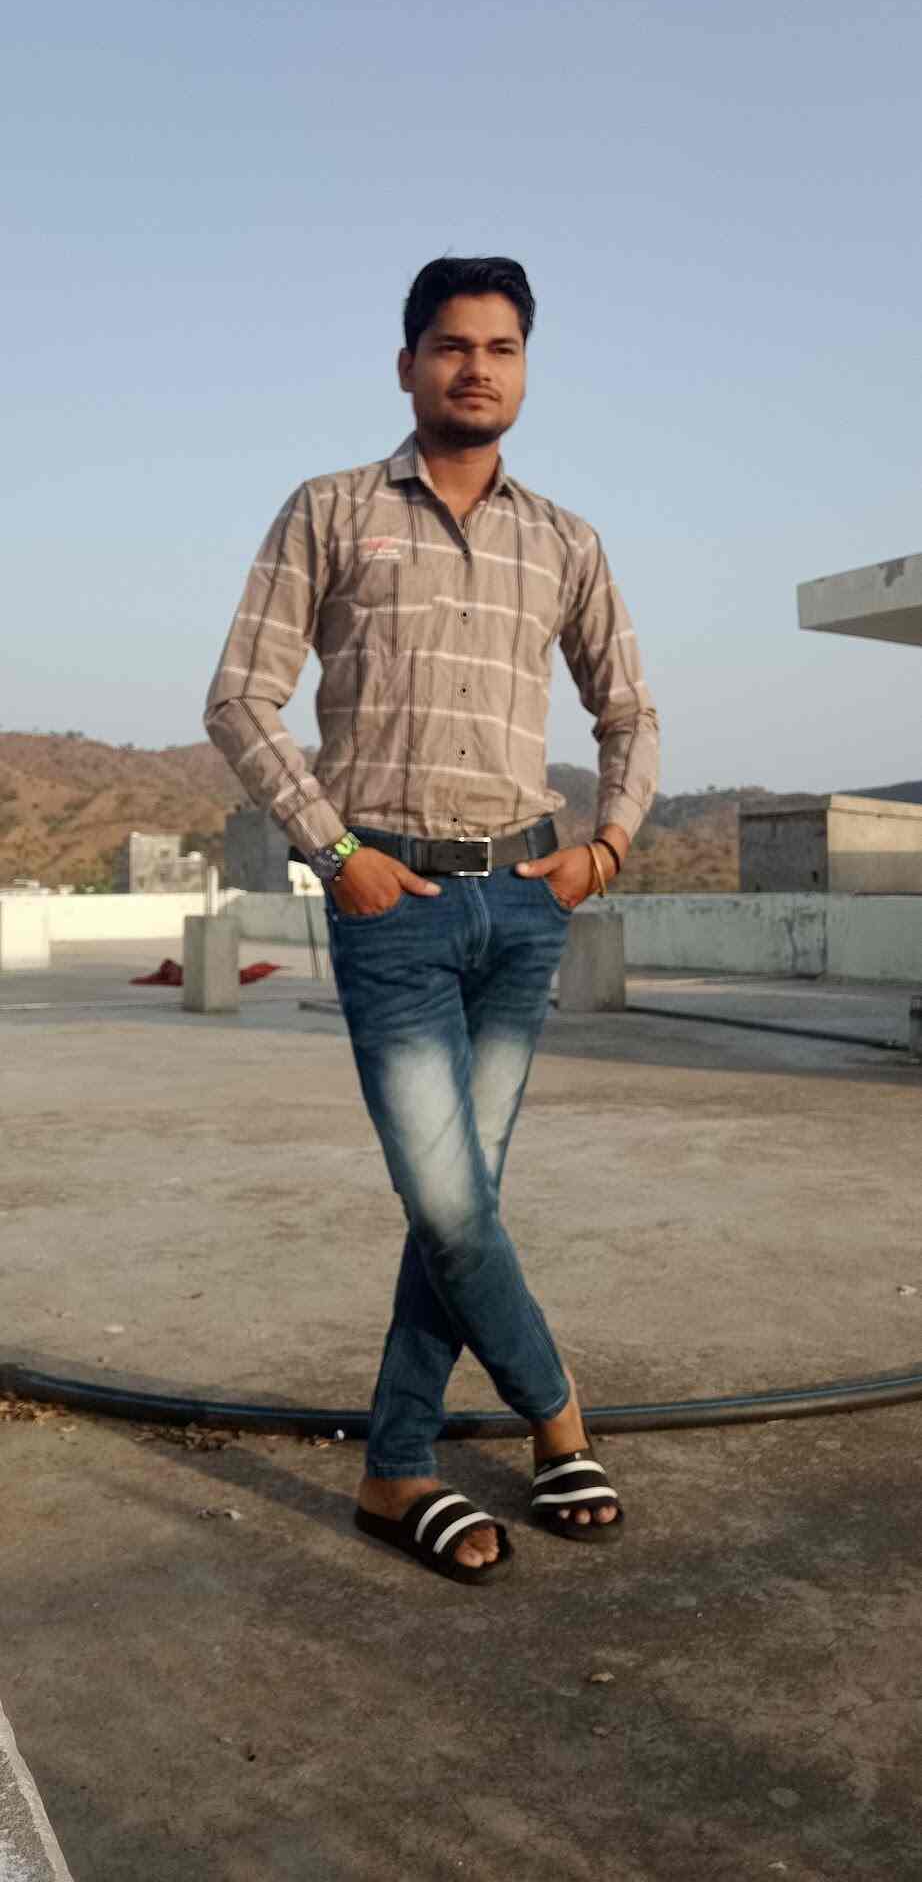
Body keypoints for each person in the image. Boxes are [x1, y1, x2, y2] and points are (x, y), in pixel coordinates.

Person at [203, 255, 660, 1585]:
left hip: (521, 905)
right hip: (390, 902)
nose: (476, 368)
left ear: (524, 369)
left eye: (501, 348)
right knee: (451, 1201)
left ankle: (397, 1465)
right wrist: (334, 848)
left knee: (458, 1202)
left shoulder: (565, 539)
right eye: (452, 346)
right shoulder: (333, 509)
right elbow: (239, 698)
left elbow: (628, 710)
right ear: (407, 364)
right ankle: (558, 1418)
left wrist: (605, 848)